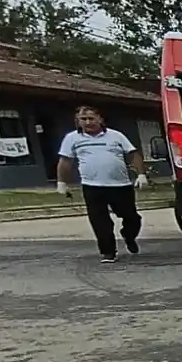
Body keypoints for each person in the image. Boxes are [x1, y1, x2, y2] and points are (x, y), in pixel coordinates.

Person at [56, 105, 148, 262]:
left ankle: (129, 235)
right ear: (77, 121)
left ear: (100, 119)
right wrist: (61, 183)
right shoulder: (72, 138)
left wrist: (141, 174)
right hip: (92, 186)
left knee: (131, 217)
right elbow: (65, 161)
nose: (88, 122)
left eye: (91, 118)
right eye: (83, 119)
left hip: (120, 185)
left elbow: (133, 154)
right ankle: (108, 252)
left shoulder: (115, 136)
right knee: (99, 220)